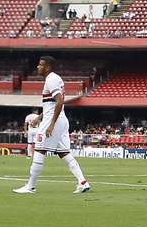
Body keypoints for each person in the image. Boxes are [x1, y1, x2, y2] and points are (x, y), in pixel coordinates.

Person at [13, 56, 90, 194]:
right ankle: (83, 182)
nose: (38, 67)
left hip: (53, 121)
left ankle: (30, 186)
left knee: (39, 150)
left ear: (47, 67)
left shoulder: (51, 79)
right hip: (59, 119)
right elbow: (52, 104)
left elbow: (60, 101)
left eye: (40, 65)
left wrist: (51, 124)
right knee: (64, 153)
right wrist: (39, 117)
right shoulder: (55, 78)